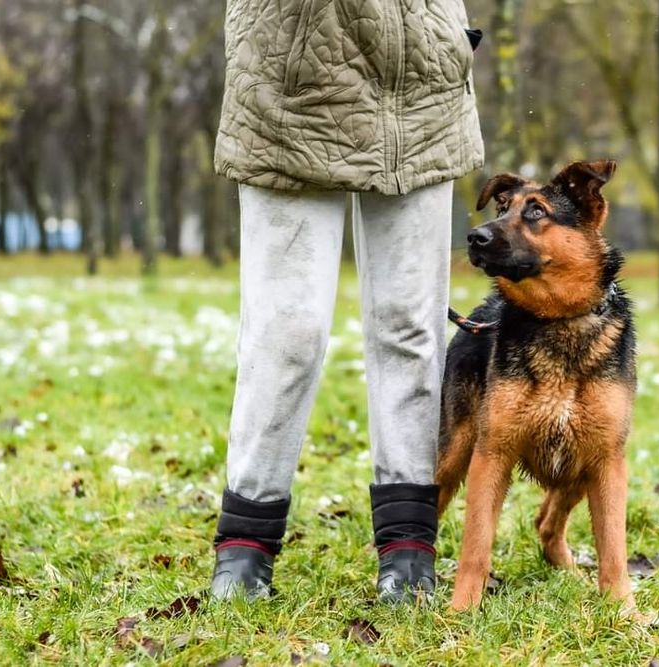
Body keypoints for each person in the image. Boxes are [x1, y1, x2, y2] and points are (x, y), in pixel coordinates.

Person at [208, 0, 483, 603]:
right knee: (288, 333)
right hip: (291, 75)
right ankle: (246, 545)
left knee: (409, 325)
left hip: (418, 77)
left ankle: (409, 548)